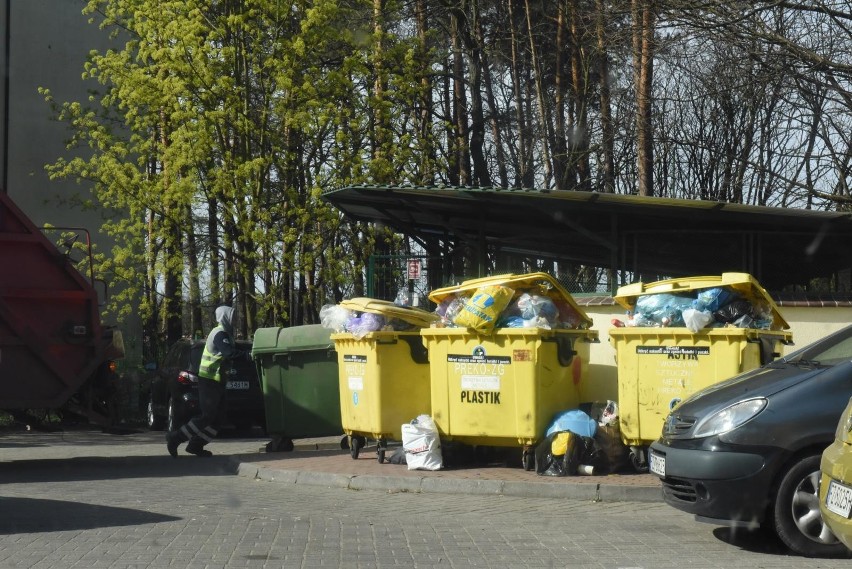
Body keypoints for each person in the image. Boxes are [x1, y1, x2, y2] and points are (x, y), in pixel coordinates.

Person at [166, 305, 239, 458]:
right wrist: (246, 355)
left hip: (217, 382)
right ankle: (175, 438)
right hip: (209, 381)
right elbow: (228, 353)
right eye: (233, 316)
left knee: (217, 418)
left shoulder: (226, 333)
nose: (235, 319)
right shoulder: (220, 334)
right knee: (207, 416)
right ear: (225, 317)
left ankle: (195, 445)